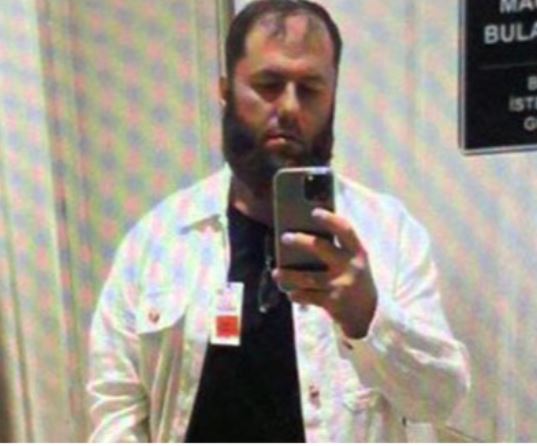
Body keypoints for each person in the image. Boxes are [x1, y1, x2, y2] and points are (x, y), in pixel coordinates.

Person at [87, 0, 470, 442]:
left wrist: (367, 317)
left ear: (333, 96)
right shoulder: (159, 239)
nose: (289, 107)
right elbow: (115, 405)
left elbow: (441, 399)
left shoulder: (388, 233)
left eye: (310, 88)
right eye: (268, 85)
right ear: (226, 92)